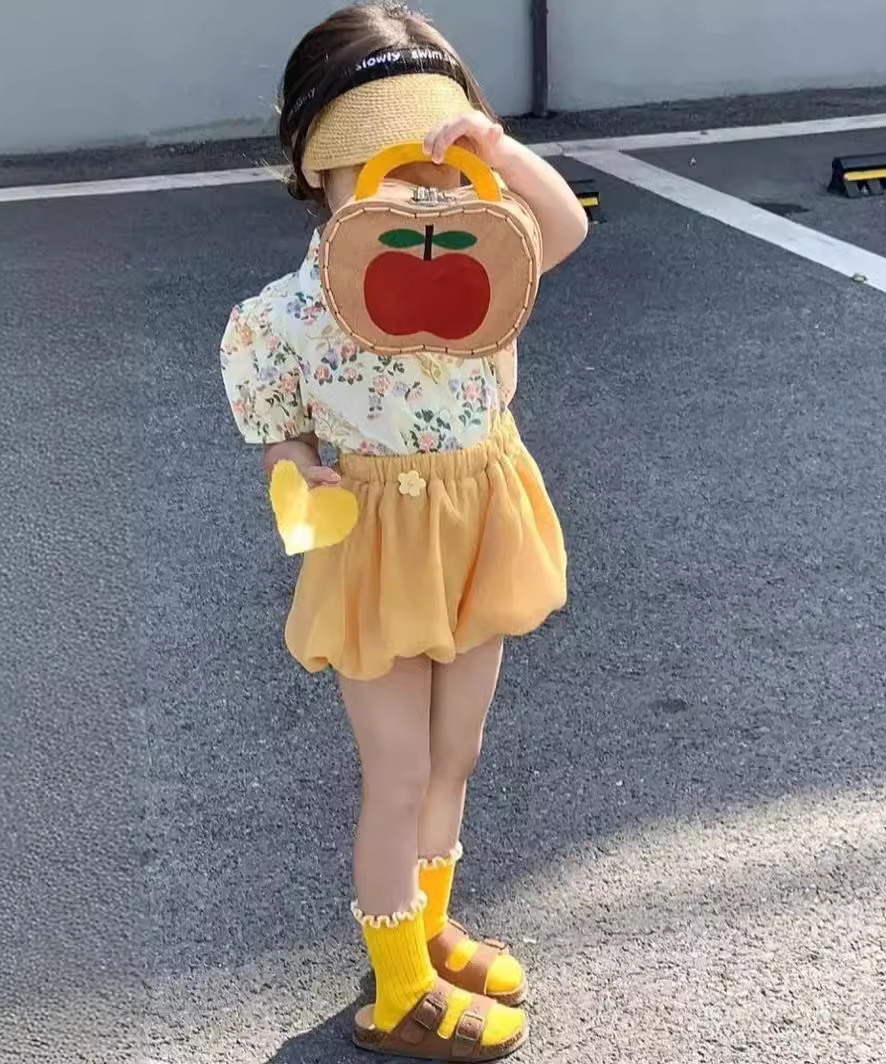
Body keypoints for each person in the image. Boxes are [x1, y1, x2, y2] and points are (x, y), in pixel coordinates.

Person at [219, 3, 588, 1059]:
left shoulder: (487, 265)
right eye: (387, 173)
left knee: (454, 752)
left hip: (477, 522)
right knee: (398, 768)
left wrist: (499, 153)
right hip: (376, 546)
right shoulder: (285, 315)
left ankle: (425, 928)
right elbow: (277, 428)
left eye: (441, 172)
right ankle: (396, 992)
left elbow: (565, 228)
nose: (423, 199)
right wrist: (294, 472)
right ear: (320, 175)